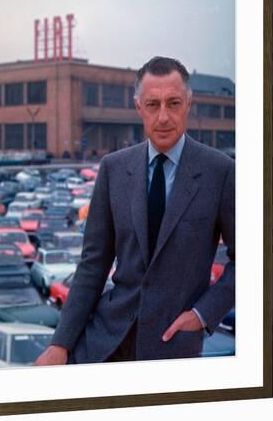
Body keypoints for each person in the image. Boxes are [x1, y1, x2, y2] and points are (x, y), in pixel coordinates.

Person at [35, 56, 235, 365]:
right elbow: (93, 264)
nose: (164, 117)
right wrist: (60, 344)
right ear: (138, 107)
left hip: (172, 346)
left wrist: (202, 314)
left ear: (189, 104)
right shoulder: (114, 168)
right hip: (103, 339)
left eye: (174, 103)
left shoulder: (220, 171)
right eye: (153, 105)